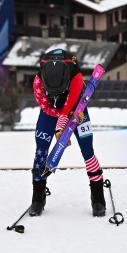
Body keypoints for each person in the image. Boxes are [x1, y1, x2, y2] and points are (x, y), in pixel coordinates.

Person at [30, 49, 106, 217]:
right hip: (50, 111)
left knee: (88, 150)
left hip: (76, 107)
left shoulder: (76, 79)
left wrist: (67, 121)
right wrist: (59, 128)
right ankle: (38, 196)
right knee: (41, 150)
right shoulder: (37, 83)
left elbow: (68, 108)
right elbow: (47, 108)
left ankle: (98, 196)